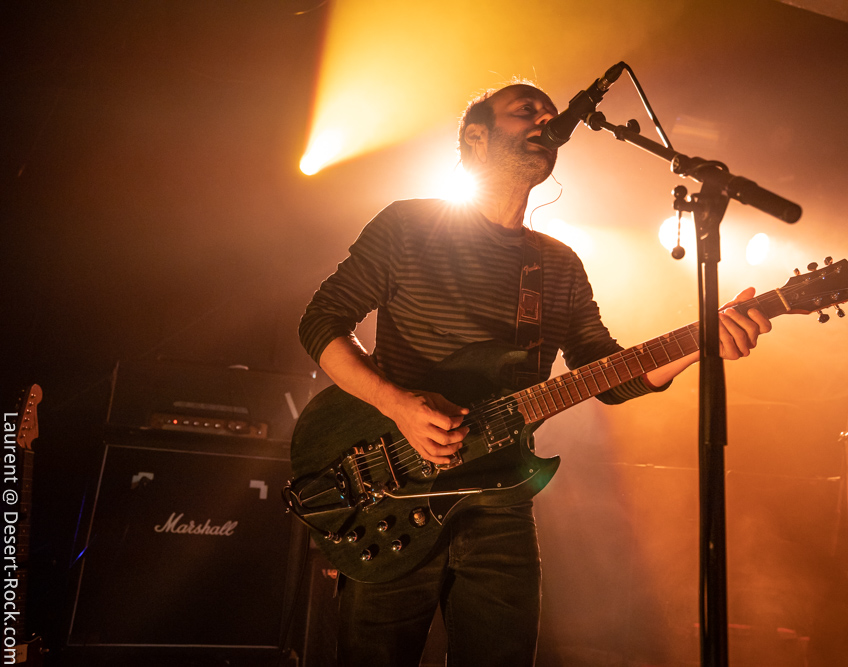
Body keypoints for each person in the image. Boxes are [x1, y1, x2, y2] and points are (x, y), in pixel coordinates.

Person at [298, 81, 771, 667]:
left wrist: (700, 340)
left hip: (500, 505)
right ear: (476, 138)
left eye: (551, 114)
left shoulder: (558, 264)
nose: (548, 121)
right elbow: (321, 321)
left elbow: (605, 373)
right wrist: (398, 405)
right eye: (527, 111)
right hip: (392, 490)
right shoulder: (408, 226)